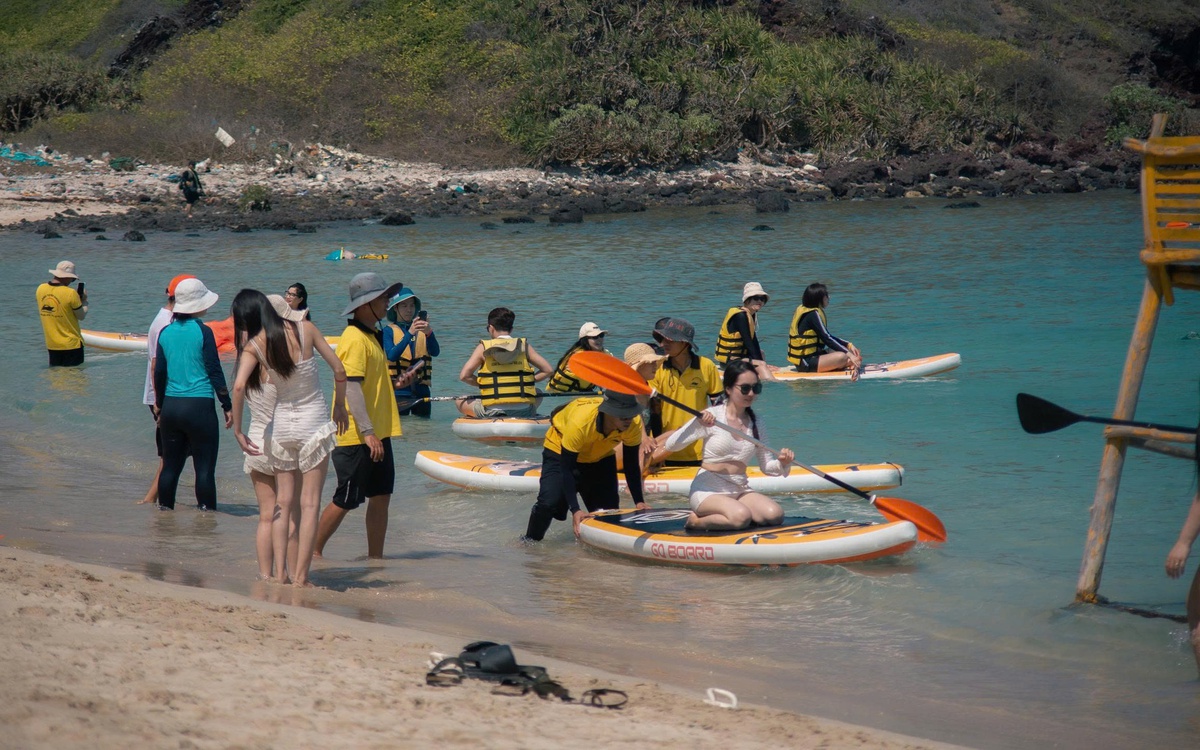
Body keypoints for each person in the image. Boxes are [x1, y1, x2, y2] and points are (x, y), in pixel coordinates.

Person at [232, 292, 348, 586]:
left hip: (281, 426)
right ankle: (300, 578)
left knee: (281, 504)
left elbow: (238, 386)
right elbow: (339, 370)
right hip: (313, 424)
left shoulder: (256, 345)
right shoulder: (306, 329)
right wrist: (339, 408)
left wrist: (237, 430)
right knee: (309, 505)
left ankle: (279, 574)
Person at [315, 273, 404, 560]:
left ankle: (375, 558)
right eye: (383, 298)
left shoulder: (372, 335)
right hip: (357, 435)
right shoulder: (353, 338)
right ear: (365, 305)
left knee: (380, 496)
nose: (389, 301)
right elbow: (351, 385)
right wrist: (366, 431)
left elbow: (368, 383)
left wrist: (392, 385)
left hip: (379, 432)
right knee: (347, 498)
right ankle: (312, 552)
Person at [661, 360, 795, 530]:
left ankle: (733, 513)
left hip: (739, 489)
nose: (751, 393)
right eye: (745, 388)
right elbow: (671, 445)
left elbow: (767, 466)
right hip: (708, 490)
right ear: (729, 389)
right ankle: (696, 521)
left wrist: (783, 463)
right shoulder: (712, 417)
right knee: (741, 517)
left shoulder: (757, 423)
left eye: (756, 388)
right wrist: (697, 422)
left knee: (774, 515)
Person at [522, 390, 649, 541]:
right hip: (560, 452)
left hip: (600, 457)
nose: (629, 419)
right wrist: (575, 510)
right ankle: (529, 543)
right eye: (623, 415)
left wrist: (639, 502)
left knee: (609, 514)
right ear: (608, 412)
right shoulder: (581, 422)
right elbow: (567, 468)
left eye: (632, 413)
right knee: (549, 504)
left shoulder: (633, 425)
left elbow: (631, 465)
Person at [153, 278, 232, 510]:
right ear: (198, 305)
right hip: (200, 408)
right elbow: (214, 370)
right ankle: (206, 521)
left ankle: (165, 515)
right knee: (204, 469)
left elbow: (159, 372)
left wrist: (159, 404)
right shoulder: (203, 331)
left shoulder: (165, 332)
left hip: (171, 407)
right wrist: (226, 404)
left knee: (170, 467)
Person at [228, 290, 282, 579]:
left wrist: (237, 429)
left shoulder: (244, 353)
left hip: (254, 441)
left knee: (265, 516)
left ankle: (265, 575)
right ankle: (286, 572)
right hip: (282, 441)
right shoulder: (276, 351)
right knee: (286, 514)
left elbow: (238, 389)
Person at [139, 274, 196, 506]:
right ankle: (150, 500)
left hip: (166, 396)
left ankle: (153, 499)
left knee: (174, 454)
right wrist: (158, 402)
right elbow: (156, 364)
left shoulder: (167, 318)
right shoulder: (166, 322)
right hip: (164, 397)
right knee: (170, 455)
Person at [647, 317, 723, 467]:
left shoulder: (706, 366)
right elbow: (653, 412)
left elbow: (720, 408)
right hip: (665, 449)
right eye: (662, 339)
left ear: (685, 343)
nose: (663, 344)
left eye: (669, 340)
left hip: (700, 450)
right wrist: (655, 448)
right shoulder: (658, 368)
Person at [455, 307, 553, 418]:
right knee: (538, 392)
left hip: (491, 411)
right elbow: (548, 370)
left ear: (491, 328)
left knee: (460, 400)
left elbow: (464, 376)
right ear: (511, 329)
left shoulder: (483, 348)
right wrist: (526, 382)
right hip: (524, 411)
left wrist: (486, 384)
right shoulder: (523, 346)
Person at [786, 282, 862, 379]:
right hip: (806, 363)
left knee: (851, 351)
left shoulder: (810, 311)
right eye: (826, 295)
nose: (829, 297)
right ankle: (846, 363)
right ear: (819, 299)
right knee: (842, 356)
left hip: (814, 356)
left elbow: (827, 335)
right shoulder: (812, 314)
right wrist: (849, 354)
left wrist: (848, 345)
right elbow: (827, 338)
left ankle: (846, 362)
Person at [384, 286, 440, 418]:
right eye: (404, 306)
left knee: (423, 430)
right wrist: (409, 333)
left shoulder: (423, 330)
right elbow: (392, 355)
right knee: (401, 433)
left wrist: (429, 333)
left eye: (411, 305)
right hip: (399, 392)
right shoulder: (388, 331)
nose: (409, 310)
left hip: (422, 390)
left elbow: (435, 352)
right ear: (395, 308)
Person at [714, 281, 776, 381]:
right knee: (761, 364)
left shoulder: (750, 314)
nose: (760, 301)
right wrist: (761, 363)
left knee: (761, 354)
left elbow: (753, 340)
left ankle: (760, 372)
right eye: (756, 298)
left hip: (739, 357)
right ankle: (773, 383)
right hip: (730, 362)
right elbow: (748, 342)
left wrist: (760, 361)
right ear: (747, 300)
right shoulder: (740, 316)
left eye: (762, 298)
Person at [36, 261, 88, 367]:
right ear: (67, 277)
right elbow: (81, 316)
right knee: (75, 380)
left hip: (52, 345)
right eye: (72, 279)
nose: (71, 281)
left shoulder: (40, 289)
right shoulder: (71, 293)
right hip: (71, 345)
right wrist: (84, 301)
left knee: (56, 379)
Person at [546, 322, 609, 394]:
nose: (599, 339)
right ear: (585, 340)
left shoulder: (603, 354)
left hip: (584, 392)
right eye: (594, 337)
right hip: (563, 394)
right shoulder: (578, 356)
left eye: (601, 335)